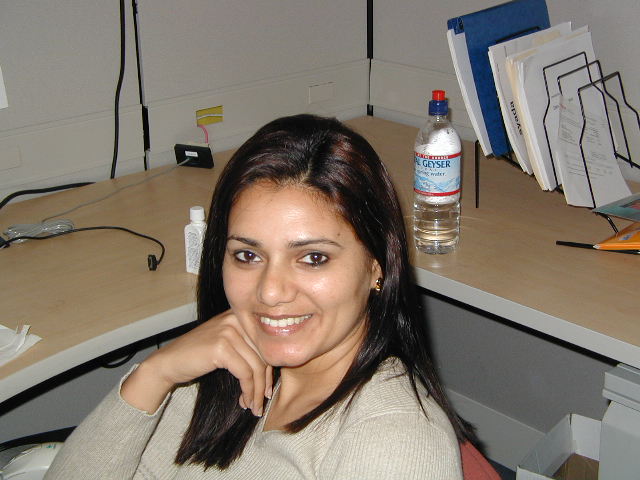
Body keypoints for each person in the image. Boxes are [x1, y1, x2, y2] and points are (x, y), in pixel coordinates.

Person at [46, 114, 476, 479]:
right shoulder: (217, 366)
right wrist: (154, 374)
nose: (270, 291)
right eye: (248, 255)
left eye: (313, 258)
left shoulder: (395, 441)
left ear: (376, 266)